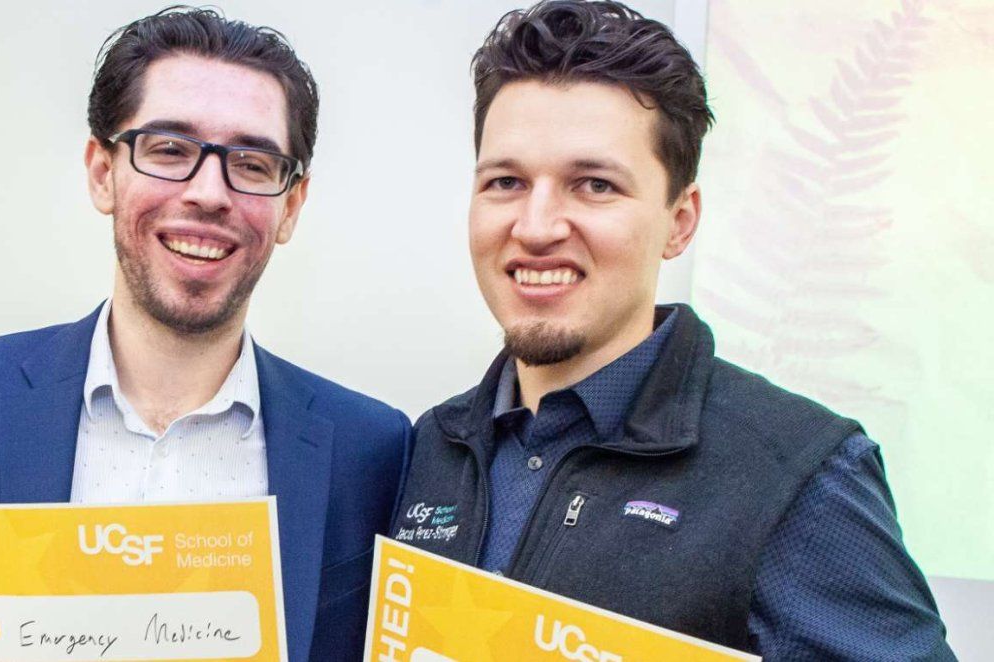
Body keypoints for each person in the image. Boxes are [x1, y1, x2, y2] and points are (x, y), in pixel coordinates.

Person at [0, 8, 409, 662]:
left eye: (252, 161)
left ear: (290, 204)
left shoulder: (371, 451)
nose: (209, 193)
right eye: (169, 149)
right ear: (103, 172)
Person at [389, 1, 955, 659]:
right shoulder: (435, 444)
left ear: (680, 221)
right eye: (506, 181)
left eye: (594, 185)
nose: (538, 226)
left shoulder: (797, 475)